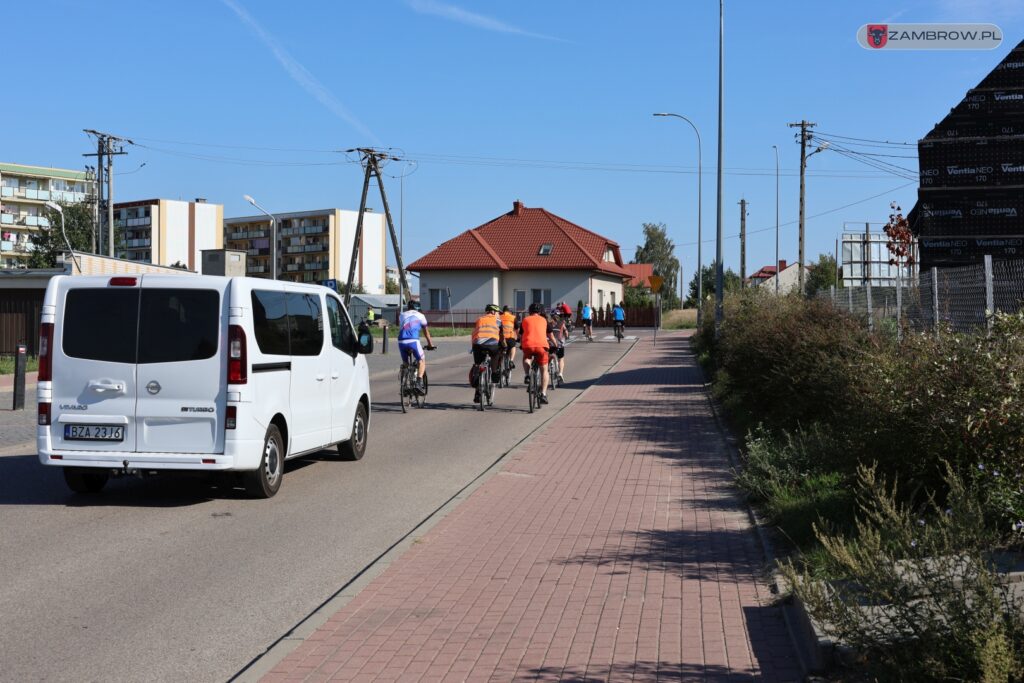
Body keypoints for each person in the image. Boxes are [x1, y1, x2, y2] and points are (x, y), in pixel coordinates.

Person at [520, 303, 557, 405]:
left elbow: (521, 334)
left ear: (529, 311)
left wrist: (521, 343)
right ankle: (543, 394)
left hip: (528, 345)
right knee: (544, 370)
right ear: (540, 312)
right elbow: (551, 336)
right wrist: (556, 345)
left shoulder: (525, 320)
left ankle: (527, 375)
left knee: (526, 358)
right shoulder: (544, 320)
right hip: (541, 347)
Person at [398, 301, 434, 394]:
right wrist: (430, 345)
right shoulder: (421, 315)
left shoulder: (402, 315)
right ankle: (418, 382)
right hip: (413, 341)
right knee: (421, 360)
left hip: (401, 341)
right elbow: (426, 332)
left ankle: (404, 385)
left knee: (405, 364)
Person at [471, 304, 504, 402]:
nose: (498, 314)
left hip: (477, 344)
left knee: (477, 365)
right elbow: (501, 336)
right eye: (498, 312)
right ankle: (494, 373)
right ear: (493, 312)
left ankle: (477, 392)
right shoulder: (498, 321)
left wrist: (473, 346)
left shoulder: (479, 319)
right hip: (492, 345)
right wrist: (504, 345)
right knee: (495, 355)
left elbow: (474, 333)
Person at [548, 312, 567, 382]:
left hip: (550, 343)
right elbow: (566, 332)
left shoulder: (548, 324)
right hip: (559, 343)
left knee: (548, 357)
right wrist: (566, 336)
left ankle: (547, 368)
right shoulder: (562, 323)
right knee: (561, 359)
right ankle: (560, 373)